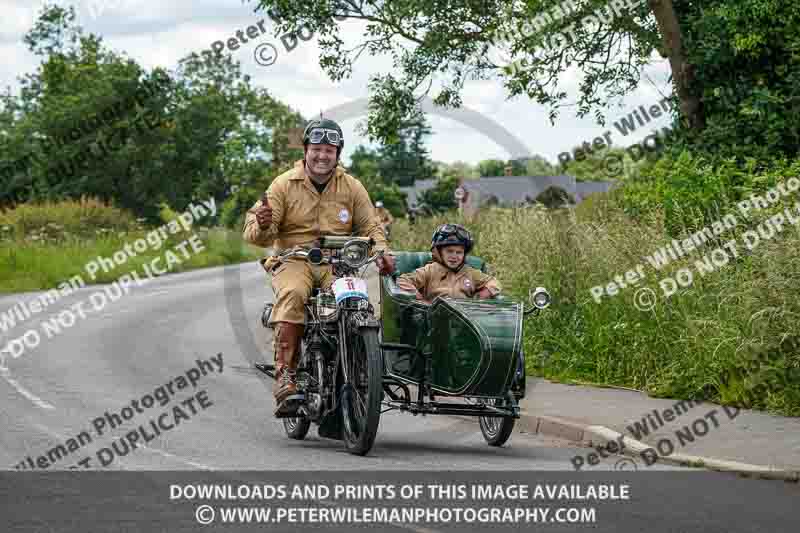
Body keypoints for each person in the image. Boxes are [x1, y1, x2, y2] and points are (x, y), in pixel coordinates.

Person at [242, 117, 396, 417]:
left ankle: (361, 366)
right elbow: (257, 233)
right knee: (294, 294)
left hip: (336, 263)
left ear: (338, 153)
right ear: (306, 150)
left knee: (358, 303)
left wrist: (382, 251)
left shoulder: (352, 187)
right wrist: (262, 224)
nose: (322, 155)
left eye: (329, 150)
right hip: (294, 260)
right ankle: (285, 374)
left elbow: (371, 226)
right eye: (317, 149)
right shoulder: (284, 184)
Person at [396, 223, 500, 304]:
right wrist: (420, 299)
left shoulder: (470, 272)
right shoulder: (430, 270)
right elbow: (403, 280)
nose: (454, 256)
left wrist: (482, 295)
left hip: (464, 319)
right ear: (439, 252)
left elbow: (494, 282)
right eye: (449, 251)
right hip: (435, 319)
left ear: (464, 254)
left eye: (459, 252)